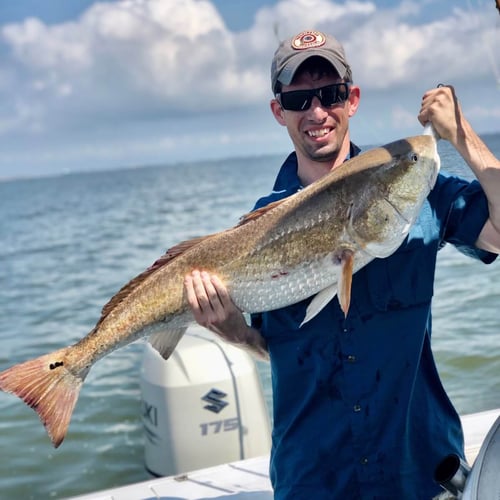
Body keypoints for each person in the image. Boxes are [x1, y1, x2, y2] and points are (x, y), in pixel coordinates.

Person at [184, 30, 500, 499]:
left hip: (419, 470)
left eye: (330, 94)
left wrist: (462, 135)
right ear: (279, 111)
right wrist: (234, 332)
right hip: (314, 479)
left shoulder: (413, 185)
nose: (316, 112)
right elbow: (275, 349)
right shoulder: (260, 228)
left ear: (352, 99)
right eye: (298, 98)